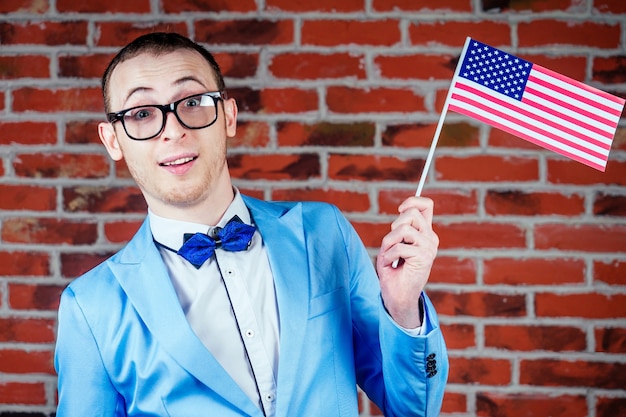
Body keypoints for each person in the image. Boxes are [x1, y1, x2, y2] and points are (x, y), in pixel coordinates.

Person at [54, 32, 448, 417]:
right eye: (142, 114)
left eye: (192, 102)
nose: (173, 130)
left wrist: (402, 307)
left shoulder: (324, 233)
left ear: (227, 115)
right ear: (113, 141)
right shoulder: (91, 307)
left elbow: (415, 408)